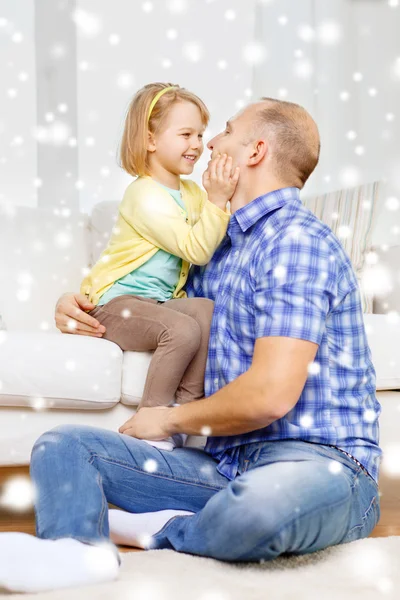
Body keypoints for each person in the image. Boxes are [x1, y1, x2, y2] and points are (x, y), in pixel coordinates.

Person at [0, 97, 381, 594]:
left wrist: (168, 418)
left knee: (260, 506)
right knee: (62, 446)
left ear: (255, 152)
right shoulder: (215, 251)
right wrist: (78, 304)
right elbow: (153, 307)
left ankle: (161, 529)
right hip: (227, 467)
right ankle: (79, 551)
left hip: (321, 464)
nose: (210, 144)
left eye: (224, 132)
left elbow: (269, 394)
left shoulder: (297, 241)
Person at [78, 82, 238, 451]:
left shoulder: (193, 194)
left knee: (207, 312)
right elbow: (196, 248)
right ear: (150, 140)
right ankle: (152, 421)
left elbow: (215, 230)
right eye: (185, 134)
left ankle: (183, 411)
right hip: (115, 303)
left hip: (158, 303)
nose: (197, 144)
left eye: (200, 134)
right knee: (182, 330)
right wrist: (218, 199)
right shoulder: (143, 194)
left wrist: (222, 193)